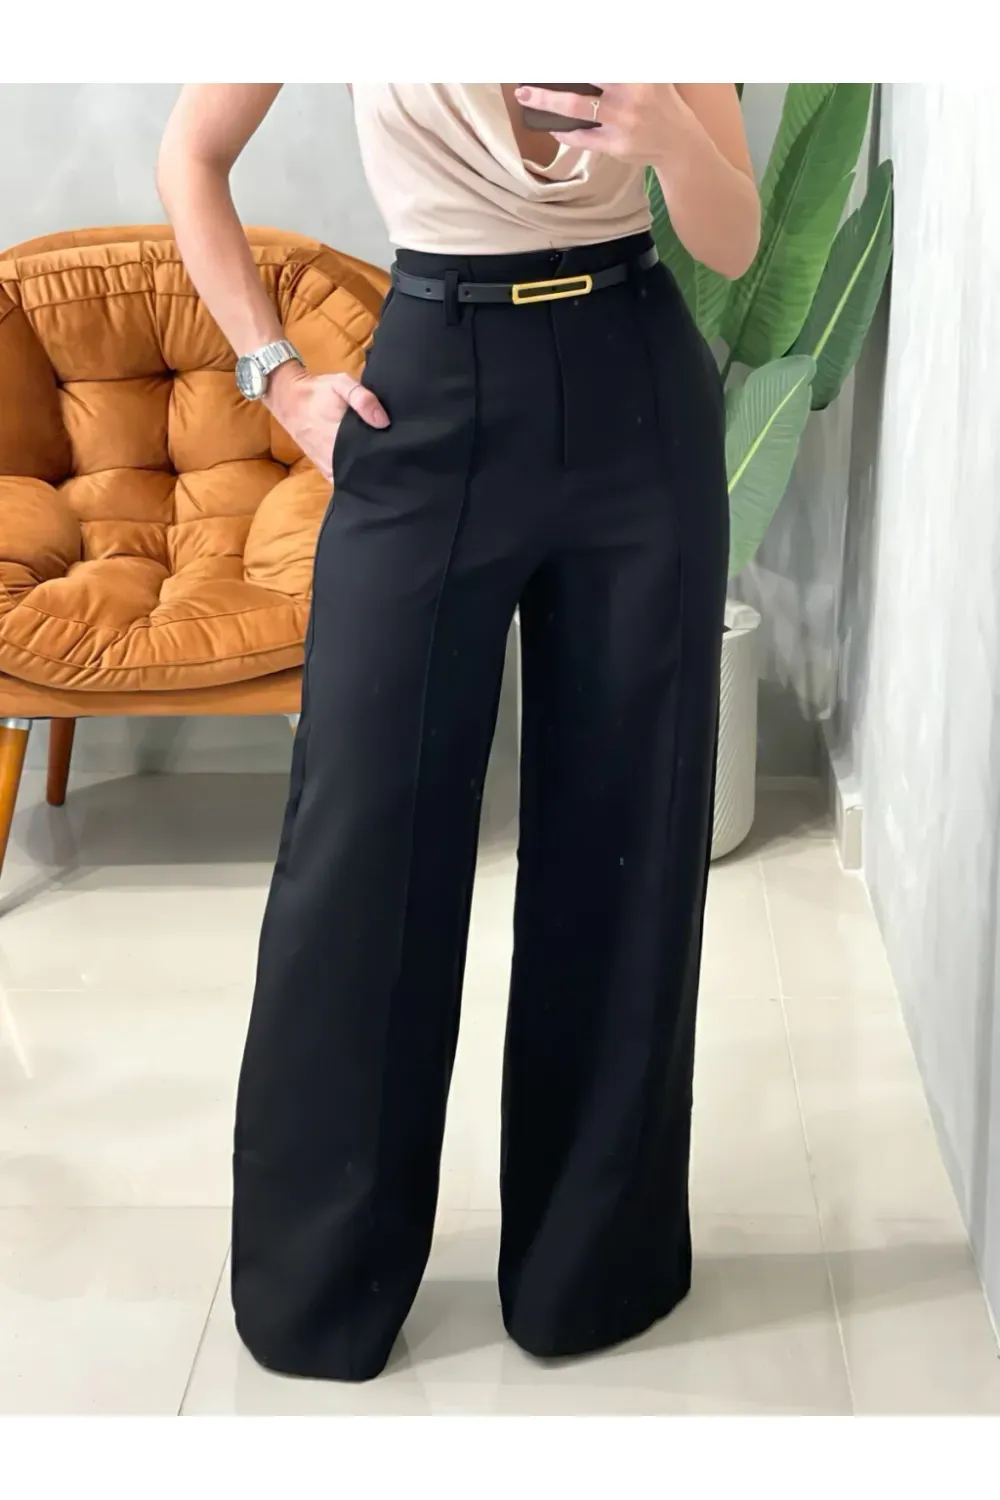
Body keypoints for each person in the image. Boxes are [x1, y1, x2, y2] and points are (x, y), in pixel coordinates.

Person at [157, 82, 760, 1383]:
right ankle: (321, 1286)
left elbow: (734, 239)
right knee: (362, 844)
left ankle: (593, 1270)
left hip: (637, 385)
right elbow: (192, 157)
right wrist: (276, 379)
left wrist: (666, 139)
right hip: (432, 381)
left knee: (629, 836)